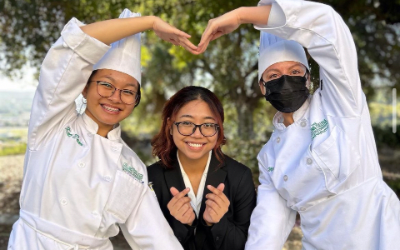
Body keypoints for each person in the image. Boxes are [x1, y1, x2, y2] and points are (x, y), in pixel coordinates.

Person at [195, 0, 400, 249]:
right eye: (273, 76)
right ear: (262, 87)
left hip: (382, 236)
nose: (285, 81)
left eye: (294, 72)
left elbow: (328, 27)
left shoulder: (341, 103)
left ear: (308, 78)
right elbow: (268, 228)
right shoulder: (270, 157)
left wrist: (241, 16)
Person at [7, 8, 198, 250]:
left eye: (128, 91)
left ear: (135, 101)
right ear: (84, 87)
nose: (115, 97)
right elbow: (74, 45)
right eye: (106, 84)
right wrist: (149, 22)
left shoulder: (133, 169)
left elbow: (158, 240)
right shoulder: (52, 122)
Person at [147, 86, 256, 250]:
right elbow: (146, 243)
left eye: (208, 125)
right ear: (170, 125)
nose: (197, 134)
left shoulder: (240, 176)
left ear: (218, 129)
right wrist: (180, 225)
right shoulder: (151, 178)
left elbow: (248, 244)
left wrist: (217, 223)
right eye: (186, 123)